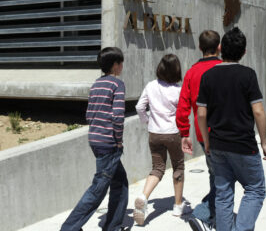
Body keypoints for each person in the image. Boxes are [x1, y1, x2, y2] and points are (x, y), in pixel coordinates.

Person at [196, 27, 266, 231]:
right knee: (255, 190)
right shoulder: (248, 75)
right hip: (243, 145)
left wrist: (207, 140)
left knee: (223, 194)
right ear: (244, 52)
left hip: (218, 144)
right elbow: (258, 112)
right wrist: (264, 142)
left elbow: (201, 114)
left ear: (221, 49)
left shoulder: (208, 76)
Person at [60, 47, 129, 231]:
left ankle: (113, 225)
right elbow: (117, 116)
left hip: (95, 139)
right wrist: (119, 140)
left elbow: (89, 115)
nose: (122, 66)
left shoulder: (96, 84)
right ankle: (69, 228)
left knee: (120, 182)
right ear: (115, 65)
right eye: (121, 62)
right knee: (98, 189)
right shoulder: (117, 85)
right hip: (109, 142)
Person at [134, 54, 188, 225]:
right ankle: (178, 206)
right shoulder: (179, 90)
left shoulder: (150, 86)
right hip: (173, 133)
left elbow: (139, 106)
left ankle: (143, 197)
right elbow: (183, 113)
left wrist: (147, 121)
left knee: (157, 168)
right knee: (178, 166)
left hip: (154, 133)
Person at [176, 30, 222, 231]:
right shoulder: (225, 68)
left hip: (203, 133)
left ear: (200, 47)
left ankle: (211, 216)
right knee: (223, 178)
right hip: (225, 131)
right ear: (218, 47)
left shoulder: (192, 72)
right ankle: (203, 214)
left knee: (216, 174)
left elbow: (183, 106)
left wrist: (185, 133)